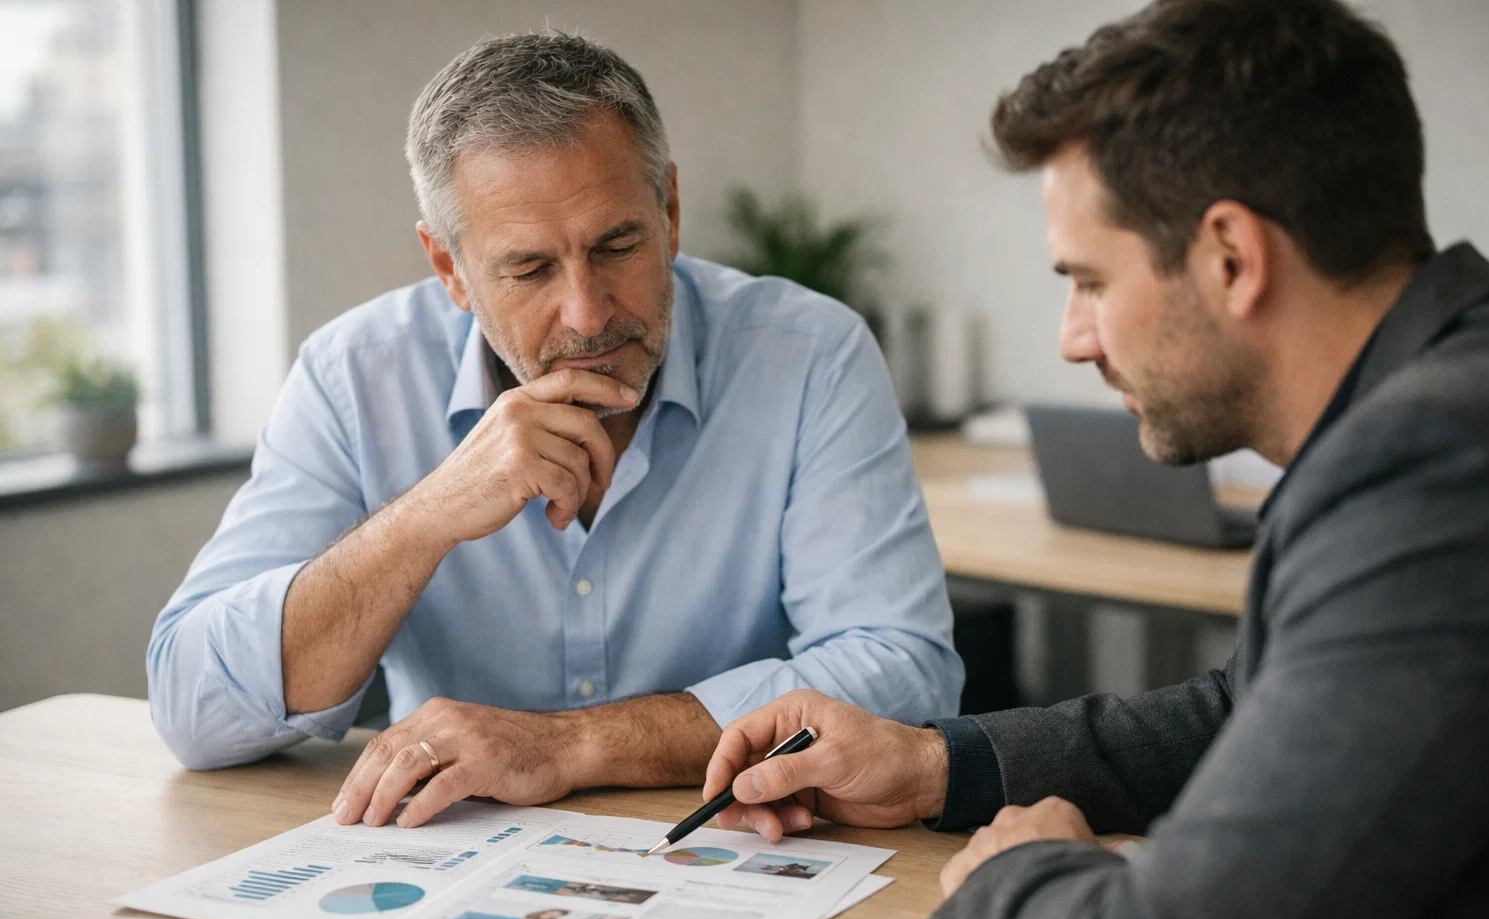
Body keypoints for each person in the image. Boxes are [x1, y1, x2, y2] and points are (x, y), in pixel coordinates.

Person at [702, 0, 1489, 919]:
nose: (1072, 338)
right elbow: (1252, 710)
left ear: (1232, 255)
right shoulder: (1464, 395)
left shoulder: (1441, 460)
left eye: (1089, 281)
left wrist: (1021, 870)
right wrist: (932, 766)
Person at [146, 32, 961, 829]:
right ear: (450, 270)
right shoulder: (353, 375)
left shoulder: (811, 355)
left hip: (734, 853)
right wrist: (428, 515)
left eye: (617, 245)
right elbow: (193, 706)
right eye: (529, 269)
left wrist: (569, 748)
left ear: (670, 212)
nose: (587, 312)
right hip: (453, 869)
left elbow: (904, 676)